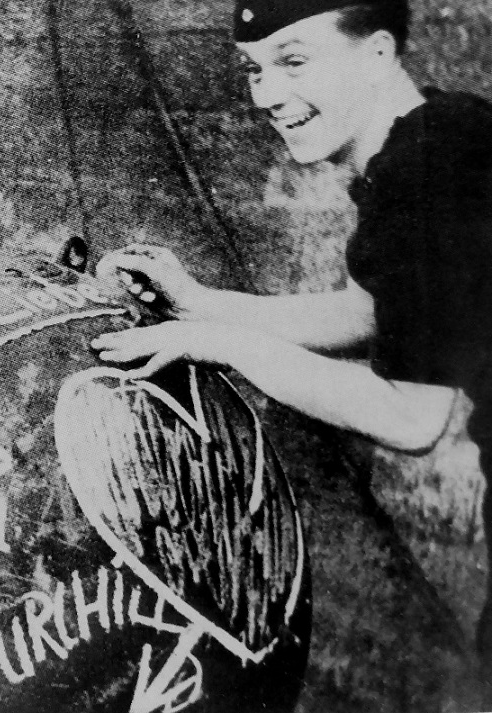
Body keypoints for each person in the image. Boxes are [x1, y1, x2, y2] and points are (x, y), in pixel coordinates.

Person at [90, 0, 492, 670]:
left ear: (377, 54)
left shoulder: (426, 179)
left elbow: (409, 416)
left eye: (294, 61)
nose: (267, 95)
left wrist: (221, 344)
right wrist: (200, 304)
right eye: (254, 70)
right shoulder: (442, 132)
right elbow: (372, 314)